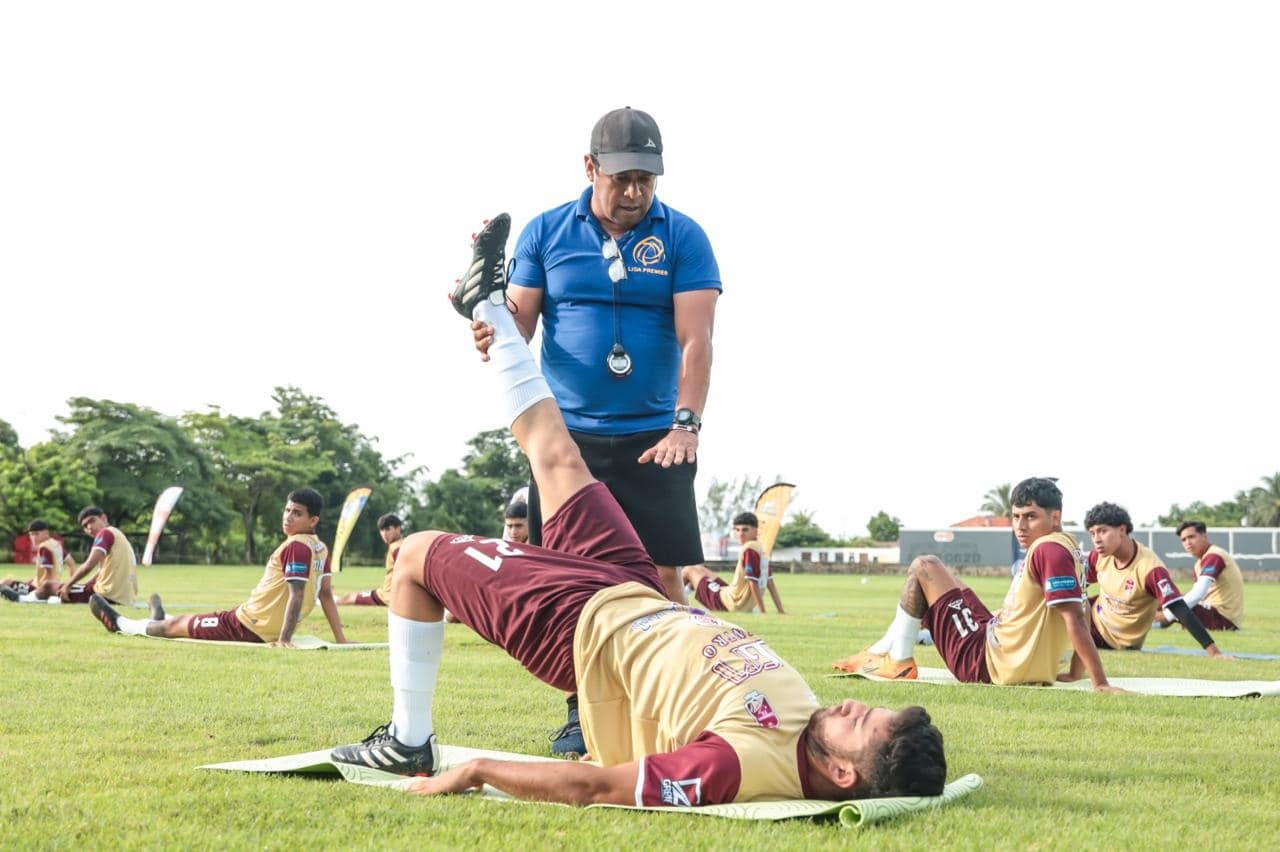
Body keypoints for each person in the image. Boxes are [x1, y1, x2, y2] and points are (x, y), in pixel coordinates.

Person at [328, 236, 946, 806]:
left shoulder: (739, 764)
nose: (849, 703)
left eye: (858, 722)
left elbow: (595, 787)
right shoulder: (806, 718)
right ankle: (488, 305)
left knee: (415, 553)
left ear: (843, 773)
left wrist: (476, 770)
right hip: (635, 592)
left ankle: (408, 740)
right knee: (559, 455)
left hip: (585, 630)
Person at [468, 108, 721, 754]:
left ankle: (674, 711)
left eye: (646, 179)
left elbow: (698, 341)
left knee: (664, 580)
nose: (635, 192)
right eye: (622, 178)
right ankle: (583, 714)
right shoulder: (549, 231)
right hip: (568, 446)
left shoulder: (684, 238)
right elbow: (519, 327)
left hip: (655, 441)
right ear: (591, 168)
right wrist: (491, 327)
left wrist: (686, 426)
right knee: (573, 582)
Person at [833, 478, 1122, 692]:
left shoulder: (1048, 549)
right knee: (945, 579)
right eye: (1017, 516)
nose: (1020, 526)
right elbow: (1083, 607)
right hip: (997, 640)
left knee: (924, 566)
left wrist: (1100, 683)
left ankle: (898, 659)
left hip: (985, 662)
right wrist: (1074, 673)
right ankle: (880, 650)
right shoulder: (1069, 546)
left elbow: (1075, 618)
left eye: (1031, 517)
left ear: (1054, 517)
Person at [89, 488, 349, 648]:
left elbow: (298, 594)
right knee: (191, 621)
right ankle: (159, 616)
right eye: (287, 510)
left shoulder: (297, 546)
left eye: (297, 513)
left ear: (313, 520)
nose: (288, 517)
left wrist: (284, 639)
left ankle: (121, 624)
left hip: (247, 626)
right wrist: (341, 639)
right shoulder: (320, 548)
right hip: (251, 620)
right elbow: (324, 593)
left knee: (178, 627)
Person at [1080, 502, 1227, 658]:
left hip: (1116, 639)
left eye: (1102, 531)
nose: (1096, 539)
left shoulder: (1150, 568)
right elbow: (1079, 587)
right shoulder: (1098, 556)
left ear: (1122, 530)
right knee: (1061, 602)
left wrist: (1214, 652)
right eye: (1092, 533)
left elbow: (1180, 608)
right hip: (1093, 620)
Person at [26, 507, 139, 606]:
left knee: (48, 586)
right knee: (60, 588)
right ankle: (50, 598)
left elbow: (89, 565)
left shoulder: (105, 533)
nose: (89, 527)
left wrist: (68, 585)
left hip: (107, 596)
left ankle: (23, 599)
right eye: (85, 526)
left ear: (104, 518)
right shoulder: (118, 535)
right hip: (125, 597)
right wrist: (84, 586)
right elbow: (97, 570)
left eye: (92, 521)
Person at [681, 512, 785, 614]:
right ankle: (685, 595)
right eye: (737, 530)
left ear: (756, 531)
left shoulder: (749, 549)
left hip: (728, 604)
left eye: (745, 530)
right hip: (733, 599)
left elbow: (752, 582)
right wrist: (780, 610)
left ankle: (671, 606)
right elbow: (770, 582)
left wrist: (763, 612)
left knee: (688, 570)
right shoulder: (761, 550)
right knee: (699, 569)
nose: (740, 534)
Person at [1154, 520, 1244, 631]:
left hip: (1223, 619)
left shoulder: (1214, 555)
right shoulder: (1199, 563)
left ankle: (1151, 626)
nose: (1188, 543)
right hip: (1214, 612)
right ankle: (1151, 626)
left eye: (1191, 537)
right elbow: (1199, 596)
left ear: (1204, 536)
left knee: (1175, 603)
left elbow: (1197, 594)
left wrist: (1166, 615)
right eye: (1183, 540)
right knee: (1166, 598)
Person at [337, 514, 405, 607]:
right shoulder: (403, 544)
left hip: (388, 596)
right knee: (349, 597)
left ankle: (323, 603)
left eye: (388, 529)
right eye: (382, 530)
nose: (384, 534)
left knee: (348, 598)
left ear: (398, 528)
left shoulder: (396, 547)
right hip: (388, 594)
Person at [1, 520, 76, 602]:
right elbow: (71, 563)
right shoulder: (56, 544)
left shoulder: (44, 547)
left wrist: (40, 590)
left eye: (37, 534)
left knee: (5, 582)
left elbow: (49, 573)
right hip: (53, 586)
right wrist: (71, 584)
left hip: (39, 589)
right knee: (11, 582)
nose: (33, 537)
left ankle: (31, 598)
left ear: (46, 533)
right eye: (31, 534)